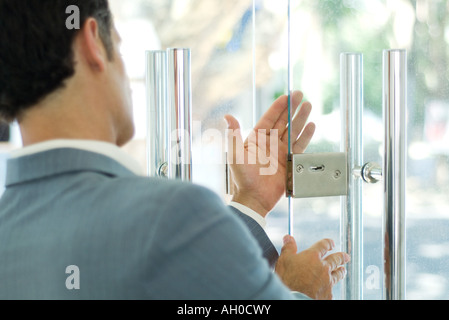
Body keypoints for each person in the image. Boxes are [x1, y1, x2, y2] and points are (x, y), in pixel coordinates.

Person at [0, 0, 349, 300]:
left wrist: (252, 202)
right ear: (92, 42)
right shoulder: (170, 213)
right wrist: (302, 290)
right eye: (119, 49)